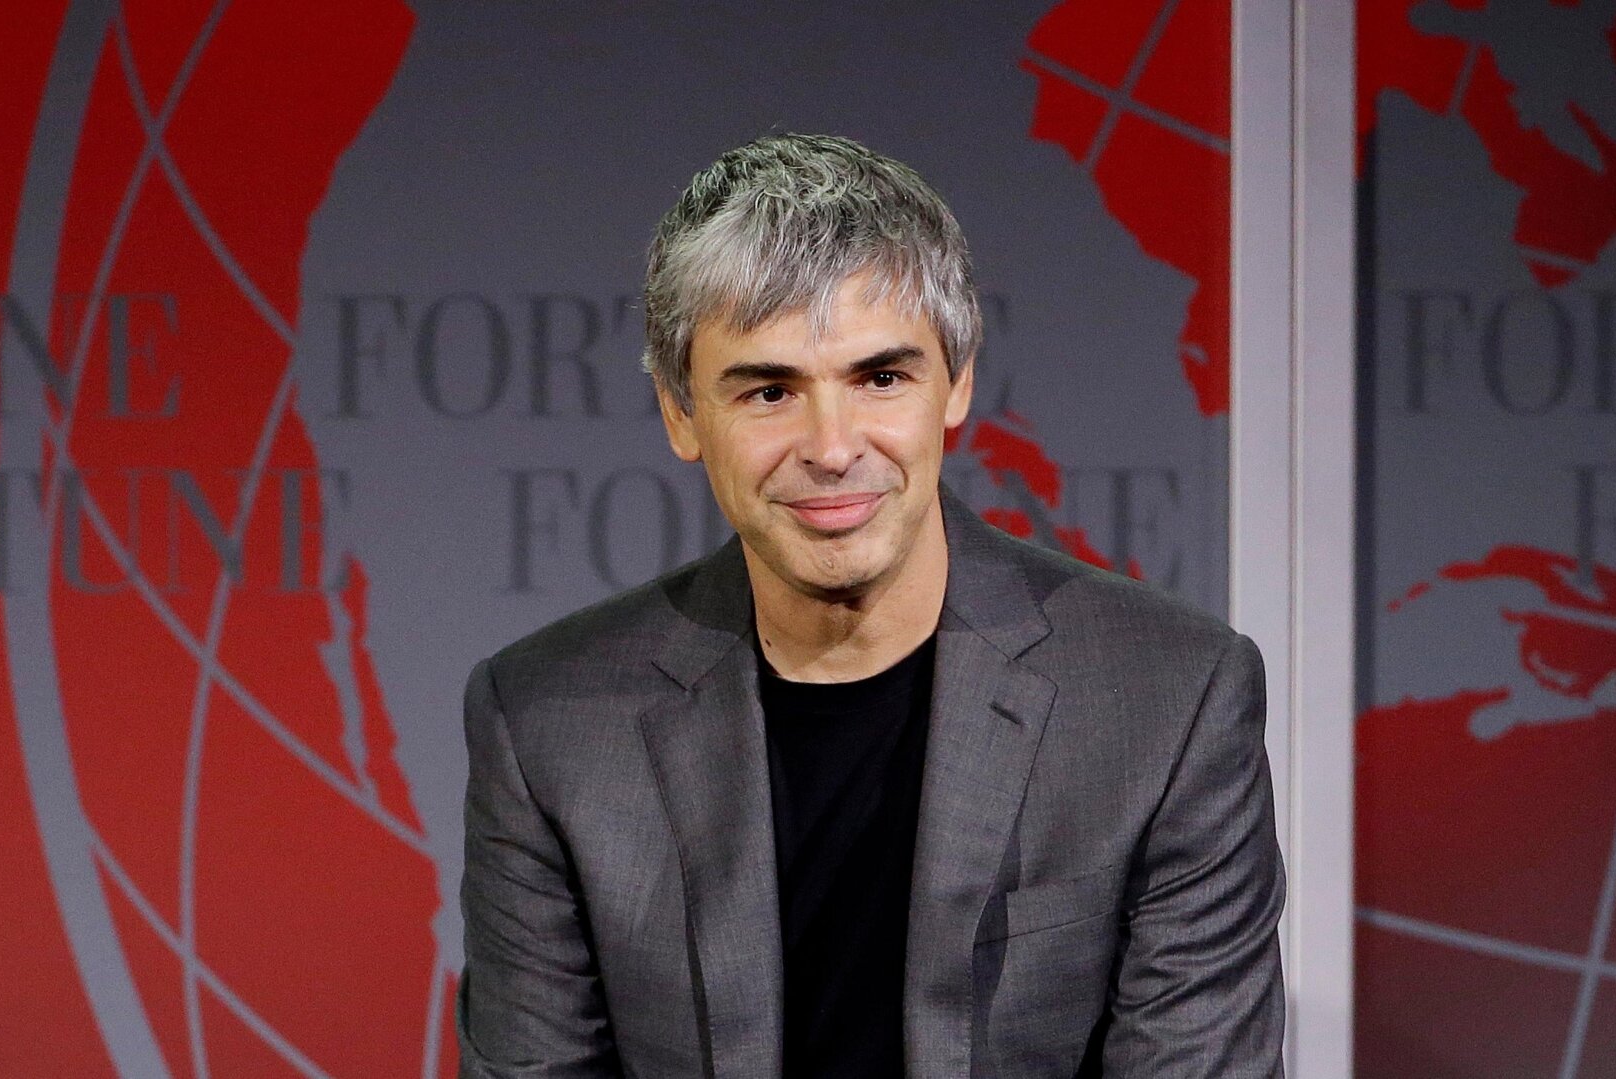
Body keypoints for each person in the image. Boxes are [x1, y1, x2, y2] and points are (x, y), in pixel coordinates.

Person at [458, 133, 1284, 1078]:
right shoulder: (546, 724)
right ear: (682, 415)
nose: (832, 446)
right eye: (770, 390)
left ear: (957, 382)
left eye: (880, 378)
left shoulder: (1168, 698)